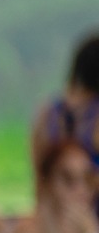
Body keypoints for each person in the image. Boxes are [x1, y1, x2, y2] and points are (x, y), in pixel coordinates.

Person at [30, 32, 99, 221]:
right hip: (92, 215)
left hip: (56, 215)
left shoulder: (47, 111)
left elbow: (39, 173)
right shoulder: (95, 115)